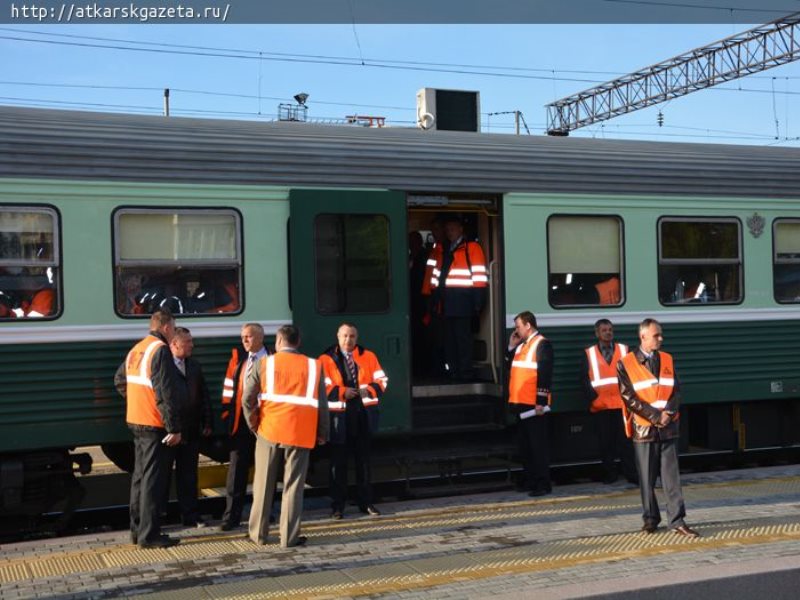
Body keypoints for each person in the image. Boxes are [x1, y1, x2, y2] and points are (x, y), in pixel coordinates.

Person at [242, 324, 329, 548]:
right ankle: (289, 538)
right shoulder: (314, 366)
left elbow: (247, 398)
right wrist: (322, 433)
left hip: (269, 430)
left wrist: (254, 424)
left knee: (262, 485)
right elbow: (322, 405)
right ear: (298, 342)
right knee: (293, 487)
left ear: (278, 342)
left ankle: (258, 535)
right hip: (301, 432)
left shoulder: (265, 363)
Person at [617, 318, 699, 537]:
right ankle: (651, 519)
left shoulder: (667, 359)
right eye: (656, 335)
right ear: (643, 337)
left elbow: (676, 390)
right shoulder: (625, 363)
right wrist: (655, 416)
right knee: (647, 478)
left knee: (672, 478)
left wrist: (668, 413)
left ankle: (677, 520)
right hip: (644, 428)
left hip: (668, 426)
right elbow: (628, 397)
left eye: (661, 334)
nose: (661, 338)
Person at [114, 309, 183, 549]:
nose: (174, 333)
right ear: (166, 327)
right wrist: (173, 427)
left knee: (140, 478)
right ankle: (150, 536)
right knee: (153, 481)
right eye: (174, 328)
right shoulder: (160, 350)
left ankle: (136, 531)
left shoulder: (138, 348)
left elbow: (119, 380)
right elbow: (166, 392)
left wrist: (137, 401)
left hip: (136, 420)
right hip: (154, 424)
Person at [319, 323, 388, 519]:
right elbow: (321, 386)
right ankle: (337, 506)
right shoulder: (325, 359)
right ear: (338, 336)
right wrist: (342, 392)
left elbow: (382, 380)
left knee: (363, 462)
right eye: (345, 336)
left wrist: (369, 390)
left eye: (352, 336)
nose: (348, 340)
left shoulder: (369, 356)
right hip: (338, 418)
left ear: (356, 338)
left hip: (363, 415)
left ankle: (366, 503)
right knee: (337, 464)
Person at [219, 323, 269, 531]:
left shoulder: (272, 360)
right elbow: (228, 389)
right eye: (242, 337)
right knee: (236, 471)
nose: (244, 341)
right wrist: (226, 415)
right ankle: (231, 516)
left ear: (260, 338)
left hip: (266, 422)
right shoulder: (238, 358)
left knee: (266, 471)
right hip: (240, 423)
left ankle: (265, 514)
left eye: (248, 337)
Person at [428, 214, 488, 381]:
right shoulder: (446, 249)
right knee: (450, 341)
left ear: (461, 229)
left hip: (463, 301)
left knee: (463, 340)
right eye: (447, 229)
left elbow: (479, 276)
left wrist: (478, 302)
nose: (449, 232)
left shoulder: (472, 248)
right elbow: (439, 278)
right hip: (447, 302)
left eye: (452, 229)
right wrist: (435, 299)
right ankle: (454, 372)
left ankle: (465, 373)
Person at [581, 319, 637, 485]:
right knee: (605, 444)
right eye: (604, 330)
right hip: (601, 406)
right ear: (597, 333)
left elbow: (634, 374)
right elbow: (583, 378)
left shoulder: (624, 349)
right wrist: (593, 398)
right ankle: (610, 475)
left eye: (610, 329)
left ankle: (631, 474)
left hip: (621, 406)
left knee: (626, 444)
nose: (608, 332)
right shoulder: (589, 353)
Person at [167, 327, 212, 528]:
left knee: (189, 474)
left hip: (191, 428)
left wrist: (208, 421)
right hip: (168, 430)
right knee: (163, 475)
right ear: (174, 344)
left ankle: (190, 515)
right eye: (188, 342)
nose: (192, 345)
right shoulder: (164, 366)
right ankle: (159, 515)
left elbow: (204, 395)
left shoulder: (194, 366)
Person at [507, 311, 553, 497]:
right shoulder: (521, 346)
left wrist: (540, 402)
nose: (516, 330)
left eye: (518, 326)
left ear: (528, 325)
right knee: (526, 446)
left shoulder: (542, 344)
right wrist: (511, 345)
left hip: (534, 406)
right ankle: (530, 480)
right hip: (521, 403)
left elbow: (545, 374)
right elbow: (511, 365)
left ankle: (543, 484)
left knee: (537, 446)